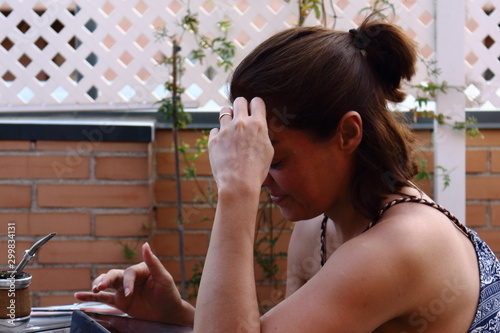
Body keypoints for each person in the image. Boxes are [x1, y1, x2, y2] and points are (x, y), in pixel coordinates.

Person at [75, 14, 500, 332]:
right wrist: (180, 318)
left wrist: (235, 191)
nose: (260, 179)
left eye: (273, 161)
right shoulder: (316, 227)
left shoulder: (401, 245)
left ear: (348, 133)